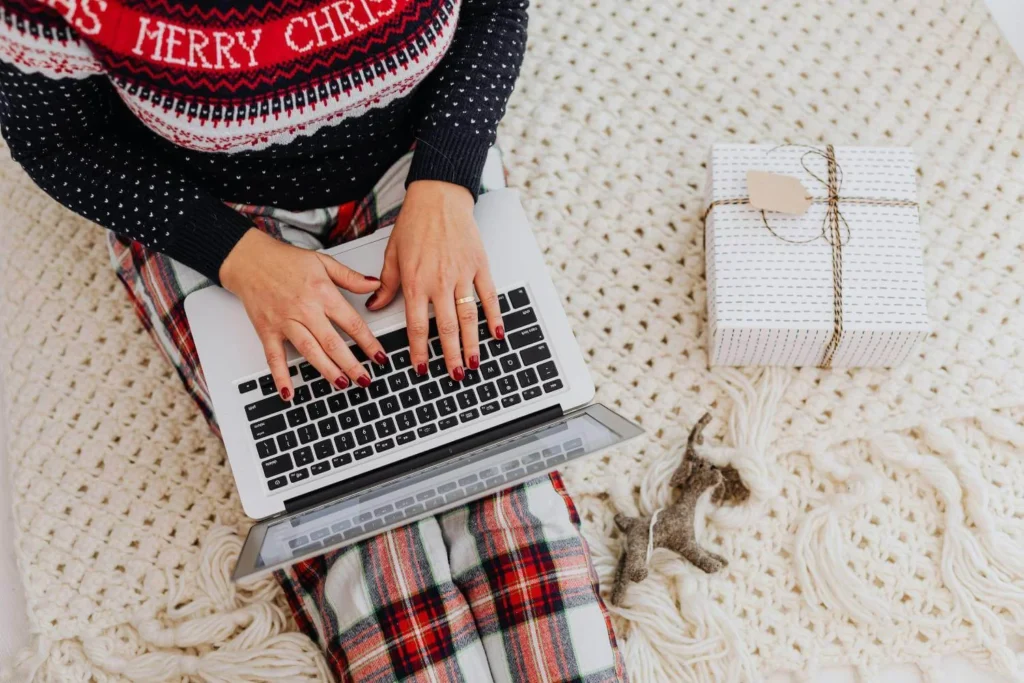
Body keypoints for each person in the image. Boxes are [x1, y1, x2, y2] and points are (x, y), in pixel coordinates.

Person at [0, 0, 628, 679]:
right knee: (350, 517)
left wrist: (447, 178)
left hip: (417, 157)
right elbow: (57, 136)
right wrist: (234, 254)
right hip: (207, 207)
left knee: (500, 472)